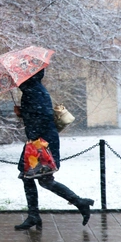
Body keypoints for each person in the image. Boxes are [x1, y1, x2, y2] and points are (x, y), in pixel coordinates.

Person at [14, 68, 94, 230]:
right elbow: (38, 114)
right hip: (40, 140)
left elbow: (42, 117)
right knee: (33, 177)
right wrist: (23, 113)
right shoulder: (33, 89)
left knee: (38, 178)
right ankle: (35, 215)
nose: (17, 78)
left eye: (20, 75)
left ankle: (77, 203)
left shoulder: (33, 91)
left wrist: (33, 134)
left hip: (40, 141)